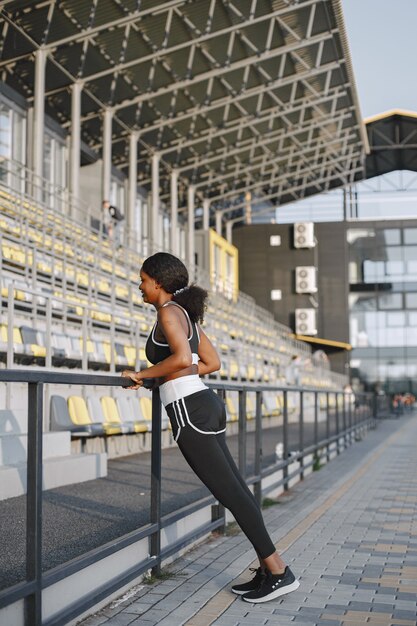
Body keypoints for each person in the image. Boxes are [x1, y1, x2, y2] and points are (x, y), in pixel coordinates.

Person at [122, 252, 299, 603]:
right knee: (236, 491)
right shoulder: (185, 314)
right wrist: (168, 374)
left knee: (231, 494)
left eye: (143, 280)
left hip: (190, 412)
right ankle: (269, 569)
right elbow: (211, 363)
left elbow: (184, 360)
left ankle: (278, 571)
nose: (139, 286)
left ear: (157, 282)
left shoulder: (168, 313)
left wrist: (142, 375)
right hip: (206, 405)